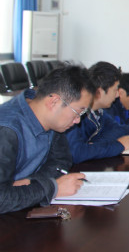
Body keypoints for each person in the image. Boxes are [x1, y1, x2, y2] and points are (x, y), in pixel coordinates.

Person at [0, 66, 95, 214]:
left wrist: (33, 183)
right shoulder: (6, 130)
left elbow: (62, 161)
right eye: (78, 112)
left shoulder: (52, 119)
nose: (78, 120)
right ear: (54, 102)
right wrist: (52, 188)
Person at [65, 62, 129, 164]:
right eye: (115, 90)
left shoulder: (99, 112)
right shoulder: (76, 114)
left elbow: (118, 130)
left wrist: (95, 145)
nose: (117, 95)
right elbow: (77, 153)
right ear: (100, 91)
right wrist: (118, 145)